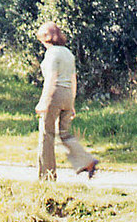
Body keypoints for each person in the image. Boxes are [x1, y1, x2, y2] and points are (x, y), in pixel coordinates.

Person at [35, 21, 98, 180]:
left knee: (46, 134)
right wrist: (72, 103)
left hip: (54, 94)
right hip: (68, 95)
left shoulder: (51, 54)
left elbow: (51, 78)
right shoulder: (68, 53)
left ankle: (46, 176)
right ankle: (87, 161)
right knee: (64, 134)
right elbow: (73, 79)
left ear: (46, 37)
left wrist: (43, 100)